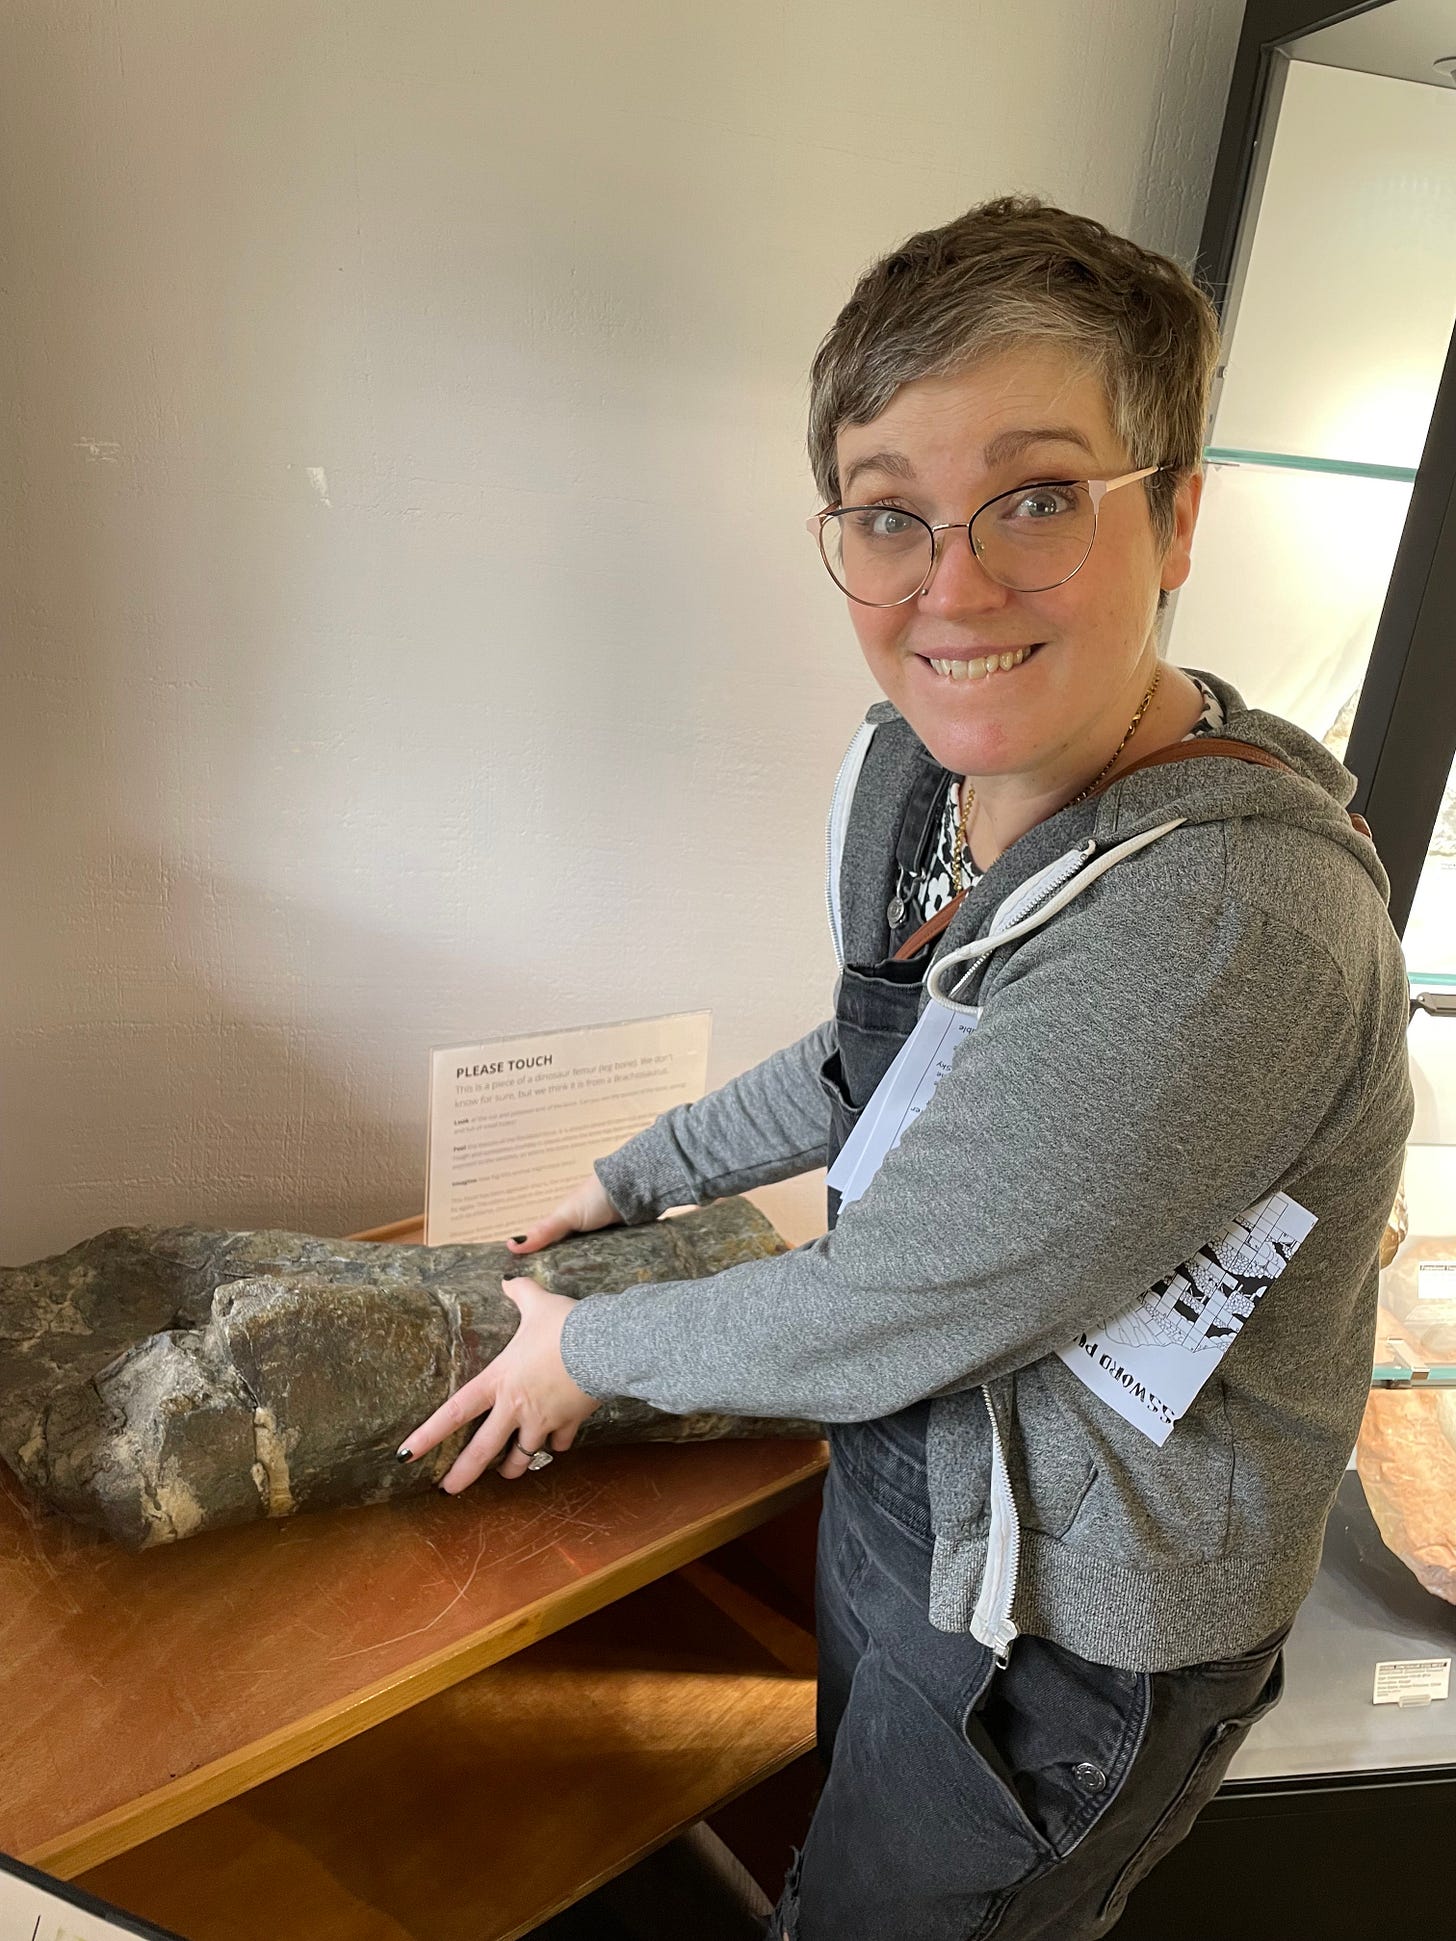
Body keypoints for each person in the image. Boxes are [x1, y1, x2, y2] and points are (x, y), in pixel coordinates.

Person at [401, 196, 1414, 1939]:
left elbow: (909, 1294)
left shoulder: (1226, 925)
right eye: (890, 514)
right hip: (912, 1487)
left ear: (1174, 516)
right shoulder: (918, 778)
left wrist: (595, 1349)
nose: (952, 588)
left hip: (1076, 1626)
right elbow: (882, 1063)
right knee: (846, 1873)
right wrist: (639, 1172)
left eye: (1035, 499)